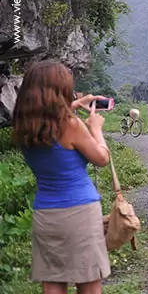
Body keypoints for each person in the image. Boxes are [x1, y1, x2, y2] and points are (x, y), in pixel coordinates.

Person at [11, 60, 112, 294]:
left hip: (45, 215)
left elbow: (50, 119)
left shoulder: (24, 125)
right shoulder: (72, 125)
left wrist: (77, 104)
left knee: (53, 281)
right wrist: (96, 129)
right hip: (80, 213)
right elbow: (102, 159)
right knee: (88, 280)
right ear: (60, 92)